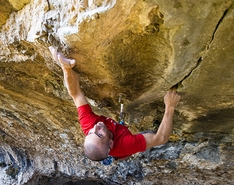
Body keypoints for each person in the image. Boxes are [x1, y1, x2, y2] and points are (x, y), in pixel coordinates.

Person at [49, 46, 181, 162]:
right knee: (150, 135)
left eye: (90, 133)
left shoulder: (90, 125)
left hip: (114, 137)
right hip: (122, 148)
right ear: (111, 143)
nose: (95, 128)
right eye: (99, 134)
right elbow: (161, 138)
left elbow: (76, 93)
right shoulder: (125, 144)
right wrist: (170, 106)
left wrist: (66, 69)